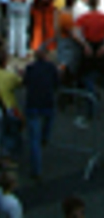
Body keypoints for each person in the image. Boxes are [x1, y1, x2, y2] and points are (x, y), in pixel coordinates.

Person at [21, 44, 58, 181]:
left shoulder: (30, 68)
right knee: (49, 120)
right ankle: (45, 138)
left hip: (33, 104)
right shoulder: (51, 68)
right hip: (47, 102)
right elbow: (56, 83)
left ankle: (36, 169)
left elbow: (25, 83)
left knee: (33, 139)